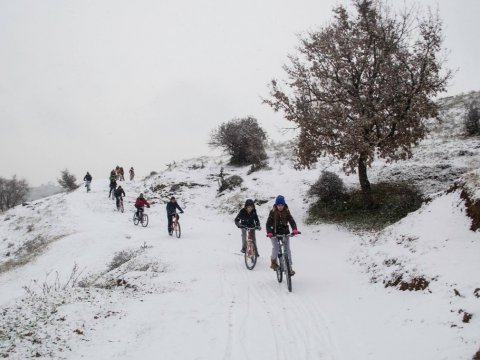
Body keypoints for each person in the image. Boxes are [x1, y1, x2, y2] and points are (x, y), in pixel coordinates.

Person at [266, 195, 299, 275]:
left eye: (282, 205)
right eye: (278, 205)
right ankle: (273, 262)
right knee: (276, 248)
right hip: (274, 233)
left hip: (285, 233)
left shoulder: (286, 211)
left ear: (284, 205)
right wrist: (269, 232)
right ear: (276, 205)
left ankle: (289, 267)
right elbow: (268, 223)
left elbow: (291, 221)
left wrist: (294, 229)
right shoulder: (273, 212)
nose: (280, 207)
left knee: (287, 249)